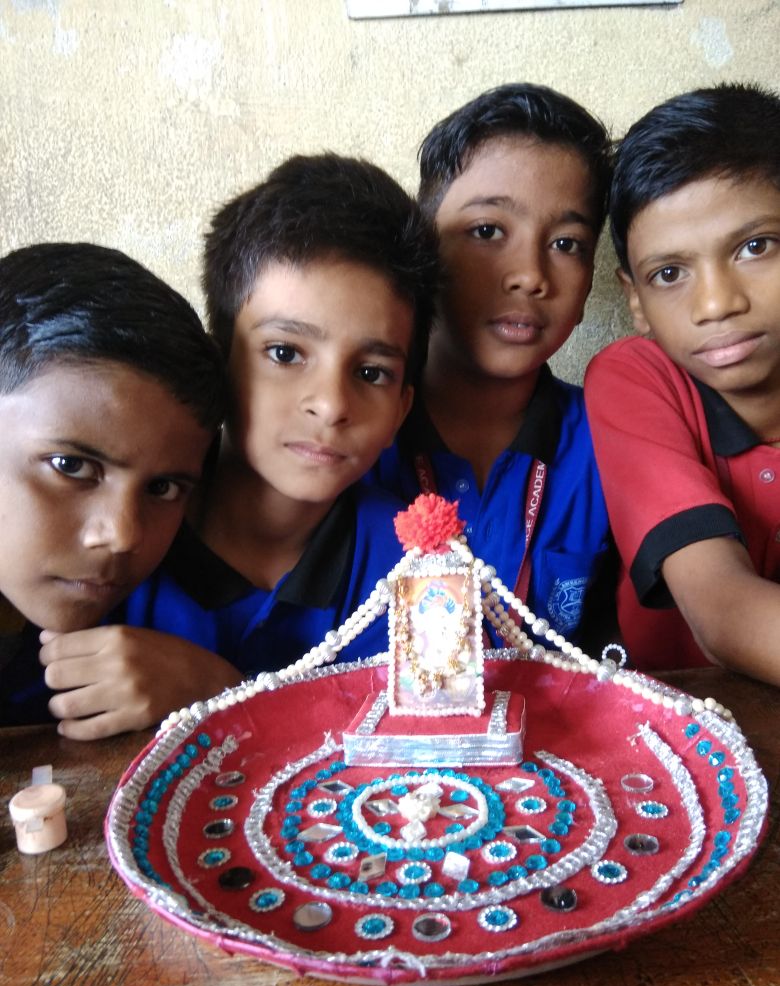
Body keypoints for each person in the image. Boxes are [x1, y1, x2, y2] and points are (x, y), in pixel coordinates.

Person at [123, 154, 439, 684]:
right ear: (218, 359)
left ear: (402, 408)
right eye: (286, 354)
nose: (332, 405)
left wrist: (224, 691)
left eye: (371, 372)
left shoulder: (415, 567)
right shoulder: (125, 528)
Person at [371, 84, 615, 646]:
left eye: (566, 243)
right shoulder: (350, 434)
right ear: (423, 248)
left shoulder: (610, 440)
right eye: (487, 232)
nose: (530, 274)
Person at [584, 83, 780, 683]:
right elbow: (724, 614)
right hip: (679, 734)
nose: (717, 303)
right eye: (669, 273)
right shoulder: (637, 380)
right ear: (636, 301)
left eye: (755, 246)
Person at [0, 242, 229, 734]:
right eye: (71, 465)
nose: (124, 535)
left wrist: (222, 694)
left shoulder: (165, 613)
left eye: (163, 488)